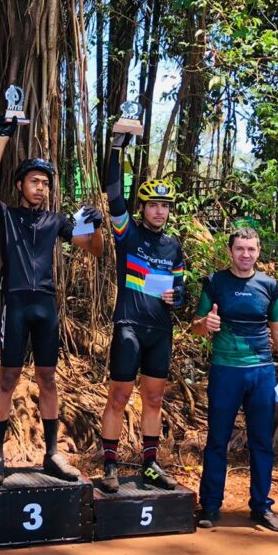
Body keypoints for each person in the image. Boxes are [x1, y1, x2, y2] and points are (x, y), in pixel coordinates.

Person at [0, 117, 105, 485]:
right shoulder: (7, 216)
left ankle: (51, 453)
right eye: (34, 181)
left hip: (46, 306)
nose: (41, 188)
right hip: (16, 304)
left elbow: (94, 250)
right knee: (8, 378)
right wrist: (3, 137)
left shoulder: (55, 221)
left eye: (46, 183)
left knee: (48, 378)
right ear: (20, 185)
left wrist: (96, 226)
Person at [191, 227, 278, 531]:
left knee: (261, 441)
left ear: (258, 252)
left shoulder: (268, 285)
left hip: (261, 373)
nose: (245, 254)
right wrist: (206, 323)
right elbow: (196, 326)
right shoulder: (215, 282)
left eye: (251, 249)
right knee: (217, 440)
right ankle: (210, 506)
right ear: (230, 251)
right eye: (240, 249)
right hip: (225, 371)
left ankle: (261, 507)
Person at [99, 129, 185, 492]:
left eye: (165, 206)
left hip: (160, 331)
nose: (160, 211)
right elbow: (113, 193)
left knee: (153, 399)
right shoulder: (128, 234)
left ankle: (150, 465)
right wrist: (116, 149)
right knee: (119, 396)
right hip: (129, 326)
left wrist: (177, 297)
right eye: (153, 205)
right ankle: (110, 466)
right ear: (143, 208)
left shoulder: (173, 246)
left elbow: (180, 289)